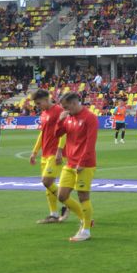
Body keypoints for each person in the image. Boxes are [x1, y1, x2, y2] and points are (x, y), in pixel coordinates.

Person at [55, 92, 99, 242]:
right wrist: (60, 121)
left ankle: (86, 230)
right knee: (62, 196)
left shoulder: (90, 118)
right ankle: (85, 219)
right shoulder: (68, 118)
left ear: (74, 103)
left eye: (67, 107)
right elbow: (58, 134)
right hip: (70, 163)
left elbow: (90, 143)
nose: (65, 110)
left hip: (85, 164)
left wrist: (82, 162)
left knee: (83, 196)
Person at [29, 89, 68, 224]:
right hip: (45, 153)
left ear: (46, 99)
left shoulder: (58, 111)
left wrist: (59, 150)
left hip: (54, 152)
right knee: (48, 185)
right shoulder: (44, 113)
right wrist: (34, 152)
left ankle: (67, 203)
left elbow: (64, 132)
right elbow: (42, 133)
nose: (37, 106)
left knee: (47, 182)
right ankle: (54, 214)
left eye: (39, 103)